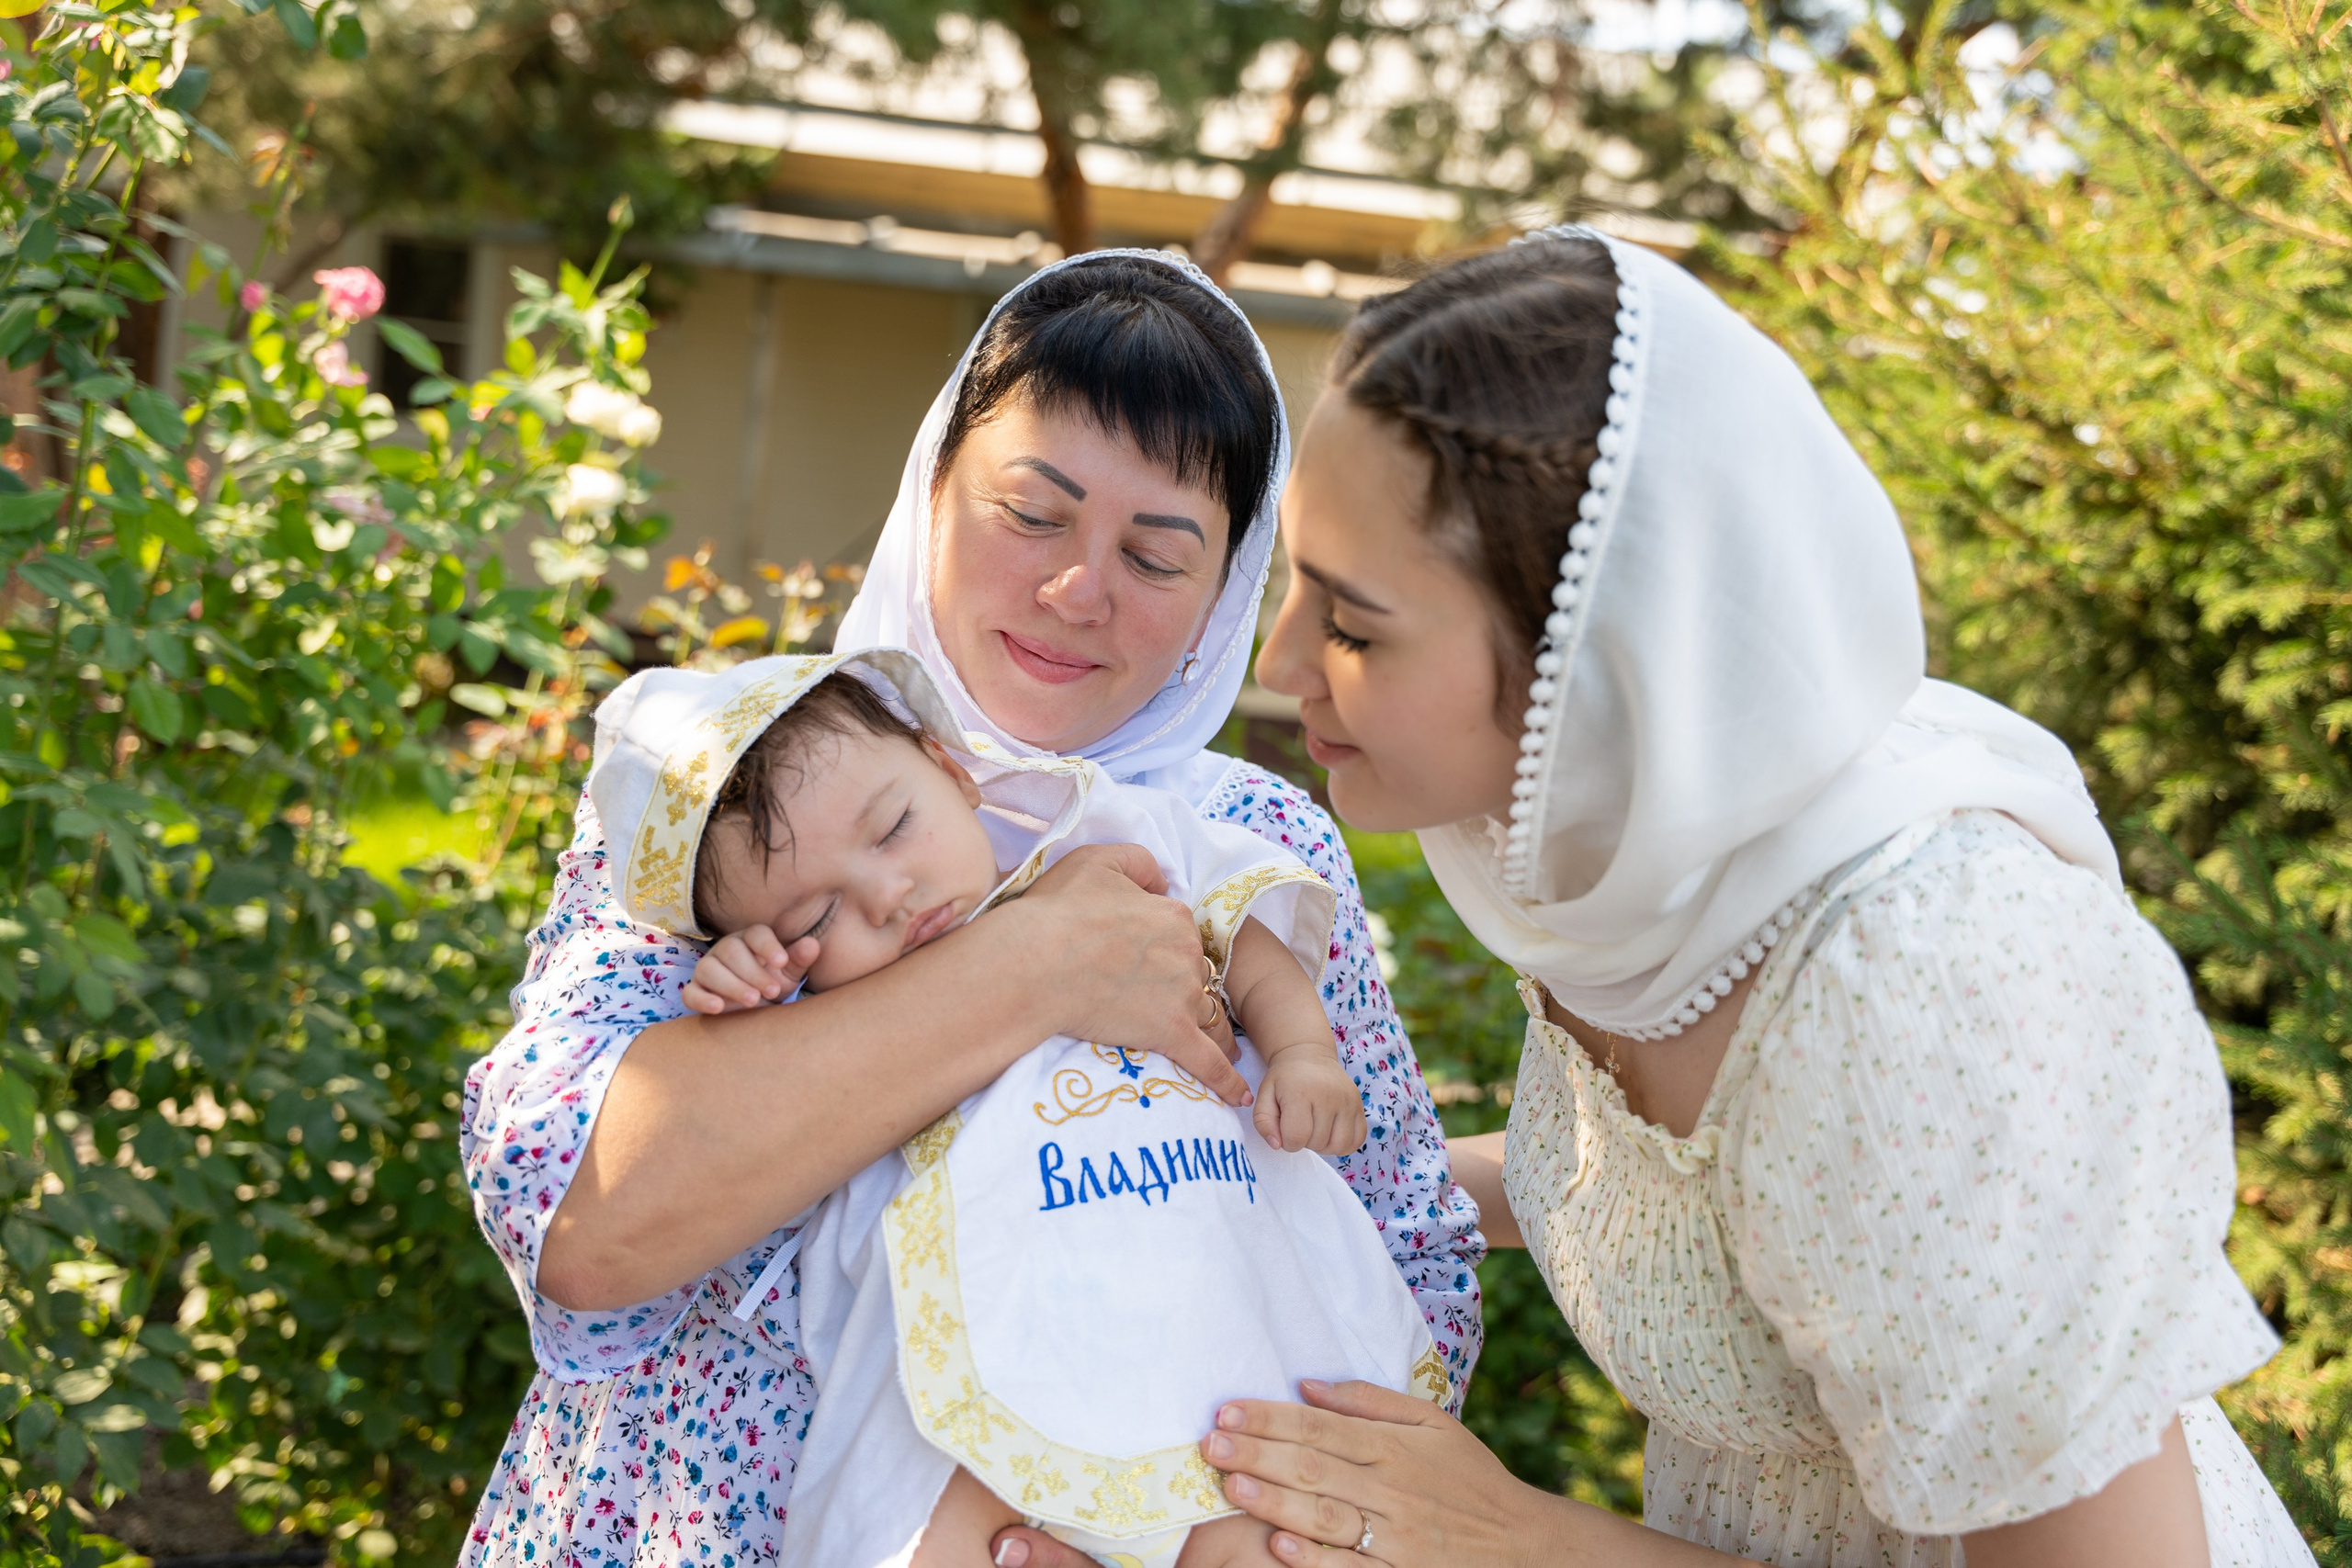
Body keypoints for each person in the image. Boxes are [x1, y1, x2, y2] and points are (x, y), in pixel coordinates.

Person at [990, 230, 2316, 1568]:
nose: (1278, 663)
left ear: (1594, 662)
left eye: (1353, 625)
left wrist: (1513, 1536)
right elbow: (1716, 1205)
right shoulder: (1618, 863)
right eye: (1292, 585)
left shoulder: (1930, 989)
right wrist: (1215, 1182)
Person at [455, 252, 1482, 1568]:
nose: (1079, 591)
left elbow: (1405, 1246)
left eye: (1156, 554)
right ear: (932, 488)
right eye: (1031, 513)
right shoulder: (737, 783)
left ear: (1225, 593)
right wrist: (1036, 963)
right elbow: (581, 1210)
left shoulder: (1253, 838)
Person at [591, 649, 1440, 1566]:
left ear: (951, 770)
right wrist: (750, 994)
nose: (888, 897)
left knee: (1257, 1506)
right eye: (814, 919)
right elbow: (757, 1106)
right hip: (978, 1324)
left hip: (1199, 1283)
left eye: (894, 829)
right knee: (932, 1525)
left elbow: (1245, 935)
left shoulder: (1094, 835)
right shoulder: (831, 1006)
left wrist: (1303, 1051)